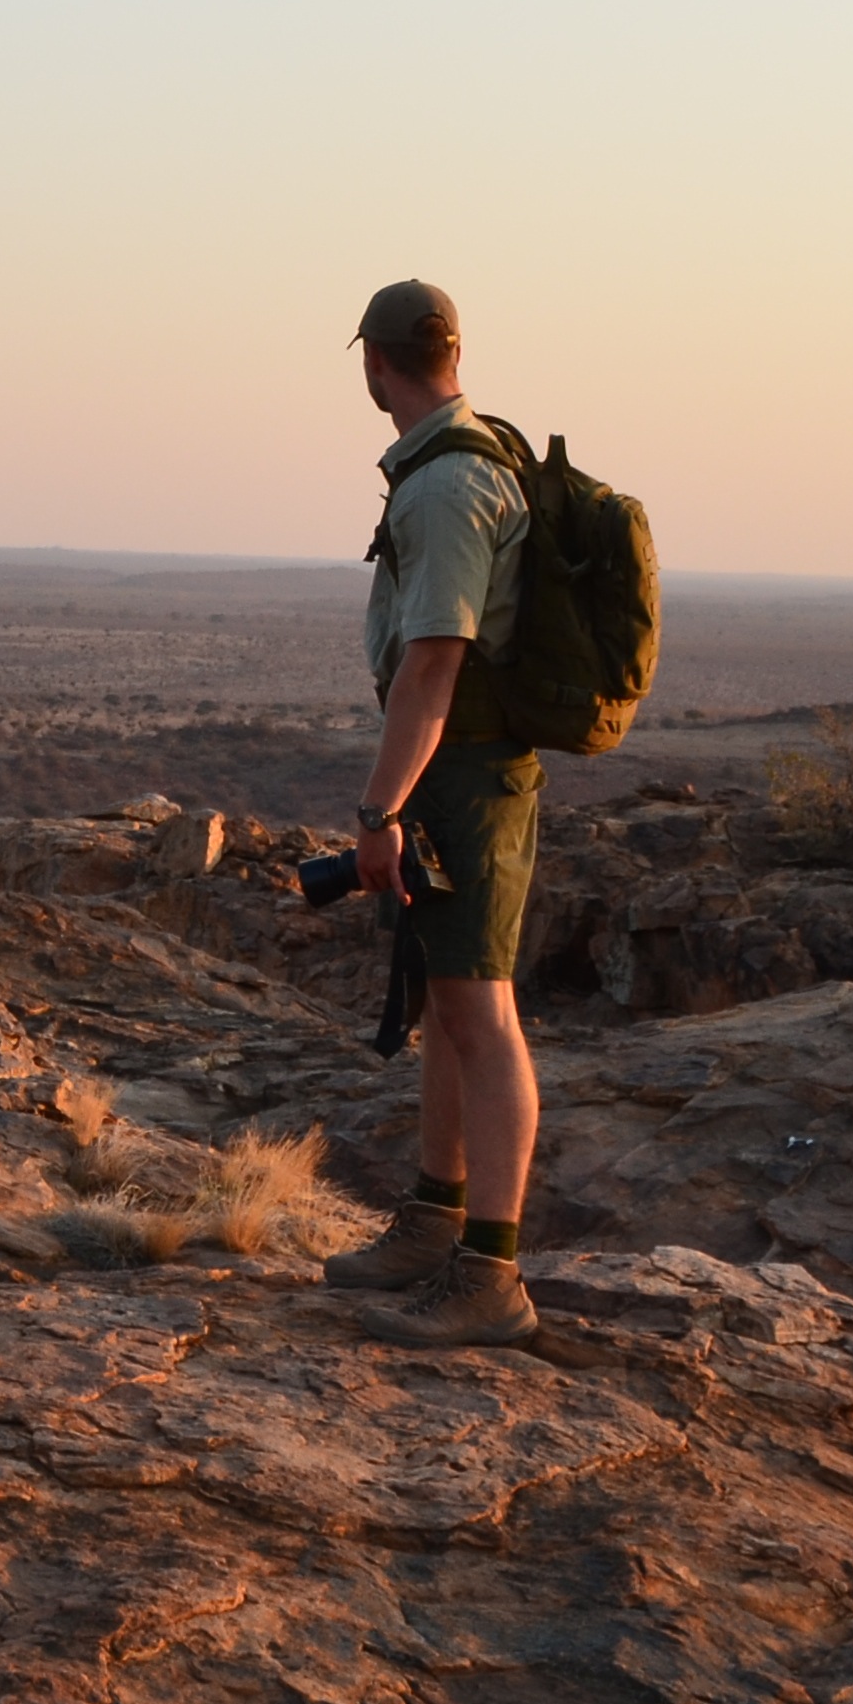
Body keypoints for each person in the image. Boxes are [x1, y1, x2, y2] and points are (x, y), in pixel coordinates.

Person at [313, 279, 544, 1348]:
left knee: (480, 1018)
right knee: (449, 1007)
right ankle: (433, 1221)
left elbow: (433, 662)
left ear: (375, 364)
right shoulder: (458, 463)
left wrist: (378, 808)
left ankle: (490, 1276)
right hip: (457, 771)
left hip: (461, 773)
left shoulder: (445, 487)